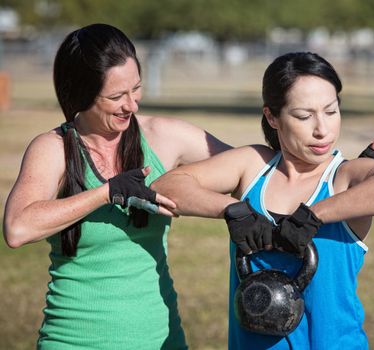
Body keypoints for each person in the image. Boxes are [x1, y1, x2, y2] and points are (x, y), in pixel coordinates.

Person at [152, 52, 374, 349]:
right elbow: (167, 185)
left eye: (331, 112)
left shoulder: (343, 178)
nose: (322, 129)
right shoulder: (254, 166)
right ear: (272, 117)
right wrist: (233, 211)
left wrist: (314, 215)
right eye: (304, 116)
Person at [2, 23, 232, 349]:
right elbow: (17, 228)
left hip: (162, 339)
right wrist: (106, 192)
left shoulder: (163, 137)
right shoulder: (54, 147)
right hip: (73, 341)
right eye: (116, 96)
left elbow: (248, 167)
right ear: (82, 94)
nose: (132, 105)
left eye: (136, 88)